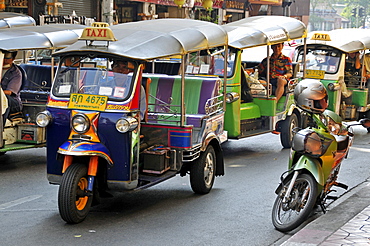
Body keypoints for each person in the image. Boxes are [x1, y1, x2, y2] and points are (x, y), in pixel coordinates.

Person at [1, 51, 22, 125]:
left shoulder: (16, 73)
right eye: (3, 58)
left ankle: (1, 126)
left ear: (13, 58)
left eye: (7, 58)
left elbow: (9, 92)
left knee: (3, 98)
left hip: (13, 102)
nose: (5, 60)